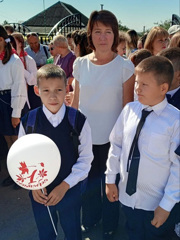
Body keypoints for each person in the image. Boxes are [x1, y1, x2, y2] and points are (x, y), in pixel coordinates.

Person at [71, 10, 135, 240]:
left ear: (115, 35)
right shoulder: (80, 64)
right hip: (85, 136)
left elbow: (128, 108)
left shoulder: (125, 67)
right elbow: (76, 102)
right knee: (87, 184)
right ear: (90, 34)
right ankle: (90, 219)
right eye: (97, 31)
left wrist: (123, 140)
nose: (103, 37)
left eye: (108, 32)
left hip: (113, 139)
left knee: (111, 185)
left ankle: (110, 224)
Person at [105, 56, 180, 240]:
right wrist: (110, 179)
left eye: (144, 84)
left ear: (163, 88)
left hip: (156, 203)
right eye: (137, 82)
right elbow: (116, 145)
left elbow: (178, 167)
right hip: (128, 198)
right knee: (133, 233)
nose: (137, 88)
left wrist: (167, 205)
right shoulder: (129, 110)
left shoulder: (175, 121)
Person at [18, 64, 93, 240]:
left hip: (69, 188)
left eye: (58, 90)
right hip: (40, 192)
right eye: (46, 90)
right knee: (46, 232)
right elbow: (21, 156)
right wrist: (33, 185)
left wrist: (65, 186)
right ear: (37, 90)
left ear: (67, 89)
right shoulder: (29, 121)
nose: (53, 96)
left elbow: (86, 158)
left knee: (72, 231)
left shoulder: (78, 120)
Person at [0, 25, 27, 186]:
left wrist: (16, 112)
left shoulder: (14, 61)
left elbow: (19, 87)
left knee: (17, 141)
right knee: (8, 140)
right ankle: (14, 173)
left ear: (2, 40)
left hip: (12, 102)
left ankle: (21, 175)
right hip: (2, 102)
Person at [11, 32, 38, 111]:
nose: (11, 44)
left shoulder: (29, 60)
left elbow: (33, 81)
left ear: (20, 43)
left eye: (13, 41)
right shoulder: (8, 59)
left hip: (28, 98)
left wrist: (20, 69)